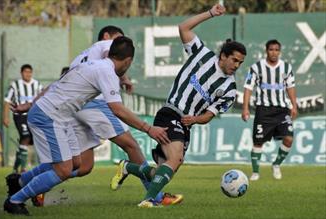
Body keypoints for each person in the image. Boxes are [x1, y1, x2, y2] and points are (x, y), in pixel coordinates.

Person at [3, 36, 170, 215]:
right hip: (49, 116)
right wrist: (149, 128)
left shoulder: (92, 64)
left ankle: (19, 182)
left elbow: (56, 84)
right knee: (64, 169)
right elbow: (118, 109)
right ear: (128, 61)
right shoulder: (107, 71)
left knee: (77, 163)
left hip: (60, 116)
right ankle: (15, 200)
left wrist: (30, 104)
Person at [111, 3, 247, 207]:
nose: (236, 66)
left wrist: (195, 119)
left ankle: (127, 168)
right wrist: (210, 13)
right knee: (175, 159)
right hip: (171, 112)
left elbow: (209, 115)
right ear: (223, 56)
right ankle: (149, 201)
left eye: (240, 63)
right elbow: (183, 28)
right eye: (234, 60)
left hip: (186, 124)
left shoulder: (229, 89)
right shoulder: (202, 54)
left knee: (163, 170)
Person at [241, 39, 297, 181]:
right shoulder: (256, 67)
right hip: (263, 110)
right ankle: (255, 172)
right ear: (266, 51)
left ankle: (276, 164)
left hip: (282, 110)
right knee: (258, 142)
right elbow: (248, 87)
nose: (274, 52)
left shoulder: (286, 67)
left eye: (277, 50)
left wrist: (294, 105)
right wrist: (245, 108)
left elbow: (290, 87)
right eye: (271, 49)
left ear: (280, 51)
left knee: (289, 139)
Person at [3, 64, 43, 173]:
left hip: (32, 116)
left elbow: (42, 99)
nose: (28, 74)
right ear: (21, 73)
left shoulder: (37, 85)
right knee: (25, 136)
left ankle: (16, 166)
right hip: (19, 116)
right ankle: (23, 168)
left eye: (30, 72)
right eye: (26, 72)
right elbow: (7, 101)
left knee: (26, 141)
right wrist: (5, 117)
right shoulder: (15, 85)